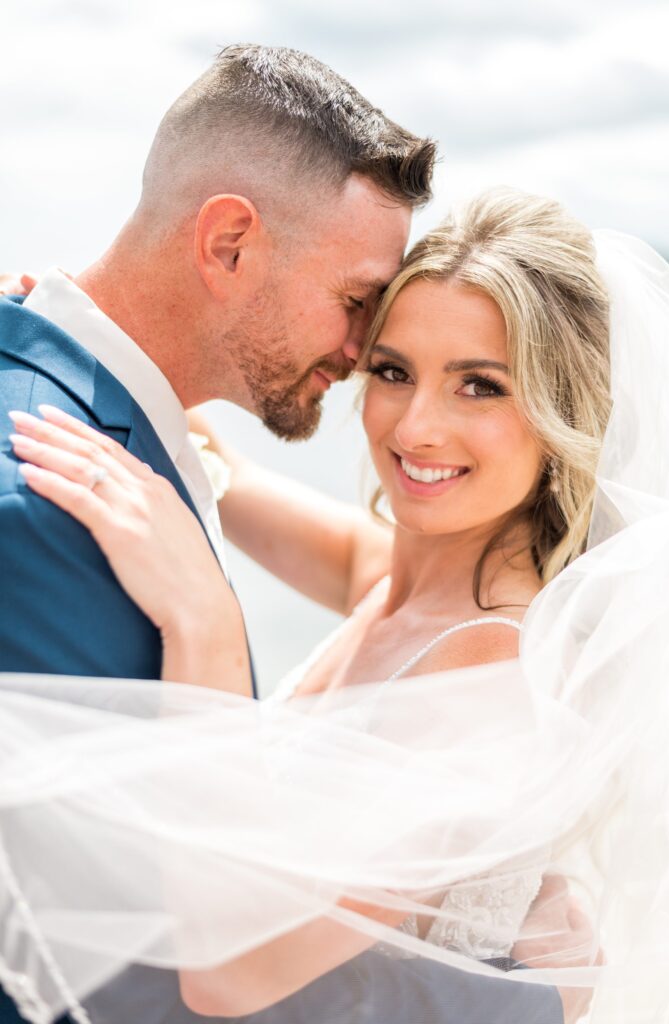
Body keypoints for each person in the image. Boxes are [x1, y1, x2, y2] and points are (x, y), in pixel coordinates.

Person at [0, 42, 572, 1024]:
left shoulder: (490, 671)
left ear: (560, 410)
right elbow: (332, 543)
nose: (401, 411)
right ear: (227, 245)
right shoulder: (399, 590)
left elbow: (225, 975)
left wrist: (210, 628)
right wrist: (67, 333)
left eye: (480, 383)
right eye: (390, 359)